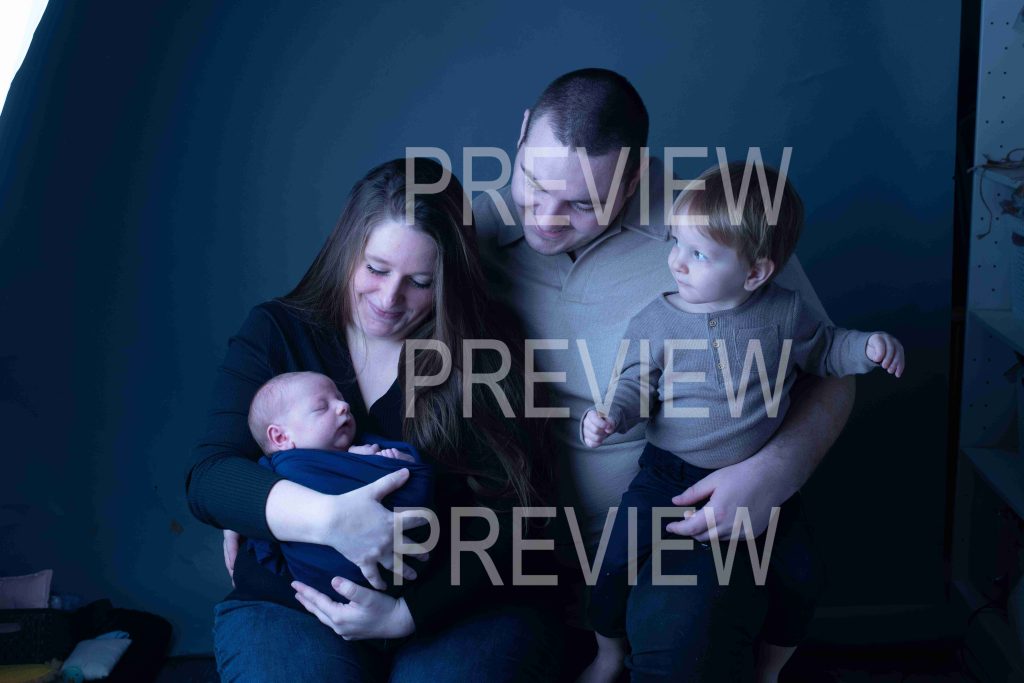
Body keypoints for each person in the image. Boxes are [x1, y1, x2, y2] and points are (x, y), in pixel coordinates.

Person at [472, 68, 858, 682]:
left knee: (685, 643)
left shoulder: (711, 230)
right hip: (511, 543)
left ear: (634, 176)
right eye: (533, 183)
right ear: (521, 134)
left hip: (676, 524)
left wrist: (773, 473)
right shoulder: (473, 230)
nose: (546, 216)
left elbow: (830, 369)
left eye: (581, 203)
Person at [186, 157, 558, 682]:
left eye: (421, 282)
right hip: (294, 603)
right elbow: (211, 477)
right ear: (347, 250)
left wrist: (408, 614)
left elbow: (523, 511)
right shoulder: (279, 331)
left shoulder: (485, 346)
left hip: (455, 603)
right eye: (377, 269)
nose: (389, 299)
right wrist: (327, 519)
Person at [579, 162, 905, 683]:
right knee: (614, 561)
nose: (677, 261)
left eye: (699, 253)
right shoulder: (656, 321)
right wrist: (610, 415)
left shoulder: (784, 313)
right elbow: (634, 385)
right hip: (667, 476)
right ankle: (607, 653)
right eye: (676, 243)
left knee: (802, 574)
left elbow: (827, 350)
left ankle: (769, 668)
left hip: (754, 479)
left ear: (755, 273)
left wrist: (867, 347)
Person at [245, 370, 434, 600]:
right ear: (281, 437)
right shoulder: (284, 472)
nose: (343, 406)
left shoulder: (365, 446)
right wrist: (372, 462)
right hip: (329, 583)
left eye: (340, 398)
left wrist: (392, 459)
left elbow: (414, 478)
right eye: (321, 407)